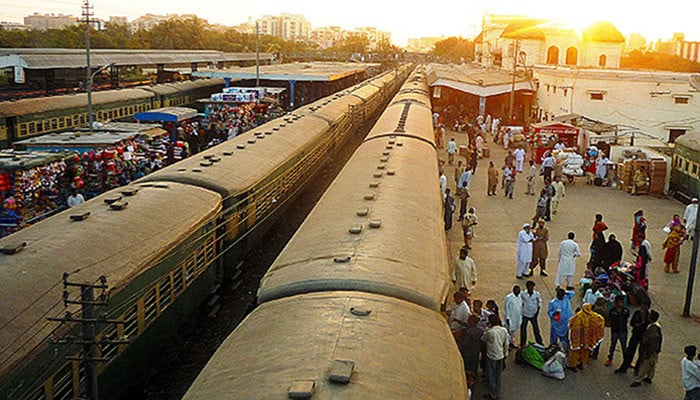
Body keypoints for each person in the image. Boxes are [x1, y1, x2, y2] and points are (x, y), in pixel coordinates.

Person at [568, 303, 605, 370]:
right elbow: (600, 320)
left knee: (575, 351)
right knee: (585, 351)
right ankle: (581, 364)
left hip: (579, 338)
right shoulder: (593, 316)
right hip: (587, 339)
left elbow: (572, 323)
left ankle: (573, 365)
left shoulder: (579, 316)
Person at [616, 301, 651, 374]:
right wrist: (638, 324)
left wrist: (643, 322)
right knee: (630, 351)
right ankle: (624, 366)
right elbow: (632, 323)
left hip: (643, 336)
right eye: (642, 308)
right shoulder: (637, 313)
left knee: (641, 353)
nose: (642, 310)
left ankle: (637, 369)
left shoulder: (649, 317)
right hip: (635, 334)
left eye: (644, 309)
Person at [631, 310, 662, 387]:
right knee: (652, 364)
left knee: (645, 365)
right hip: (654, 350)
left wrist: (647, 352)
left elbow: (651, 341)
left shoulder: (653, 329)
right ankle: (649, 377)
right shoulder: (656, 327)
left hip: (650, 350)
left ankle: (638, 380)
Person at [481, 314, 509, 400]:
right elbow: (506, 343)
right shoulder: (503, 330)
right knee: (498, 375)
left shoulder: (490, 332)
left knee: (491, 375)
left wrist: (487, 329)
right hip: (500, 355)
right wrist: (505, 354)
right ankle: (497, 392)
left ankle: (492, 393)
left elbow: (483, 339)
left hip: (491, 355)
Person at [548, 288, 575, 352]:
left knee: (565, 339)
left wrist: (564, 292)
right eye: (560, 296)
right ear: (557, 295)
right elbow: (549, 312)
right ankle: (553, 348)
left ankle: (565, 350)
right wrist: (553, 314)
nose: (562, 297)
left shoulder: (566, 298)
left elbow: (573, 293)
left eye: (562, 295)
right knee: (554, 338)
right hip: (556, 324)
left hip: (566, 323)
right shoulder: (553, 303)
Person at [606, 296, 630, 366]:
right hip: (615, 331)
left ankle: (626, 361)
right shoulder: (612, 311)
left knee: (624, 346)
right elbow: (609, 320)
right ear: (616, 303)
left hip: (623, 331)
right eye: (619, 302)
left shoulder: (626, 311)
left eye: (622, 302)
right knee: (613, 345)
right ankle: (610, 359)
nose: (620, 304)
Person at [520, 280, 543, 346]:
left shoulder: (537, 294)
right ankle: (522, 343)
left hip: (533, 314)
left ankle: (540, 343)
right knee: (523, 330)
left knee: (536, 330)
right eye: (529, 287)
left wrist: (537, 312)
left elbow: (539, 303)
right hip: (525, 314)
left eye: (532, 287)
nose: (531, 288)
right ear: (527, 287)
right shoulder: (523, 294)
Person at [459, 315, 482, 380]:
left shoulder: (468, 332)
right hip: (475, 352)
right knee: (473, 367)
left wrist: (460, 340)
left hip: (467, 353)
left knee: (467, 369)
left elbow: (465, 344)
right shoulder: (479, 330)